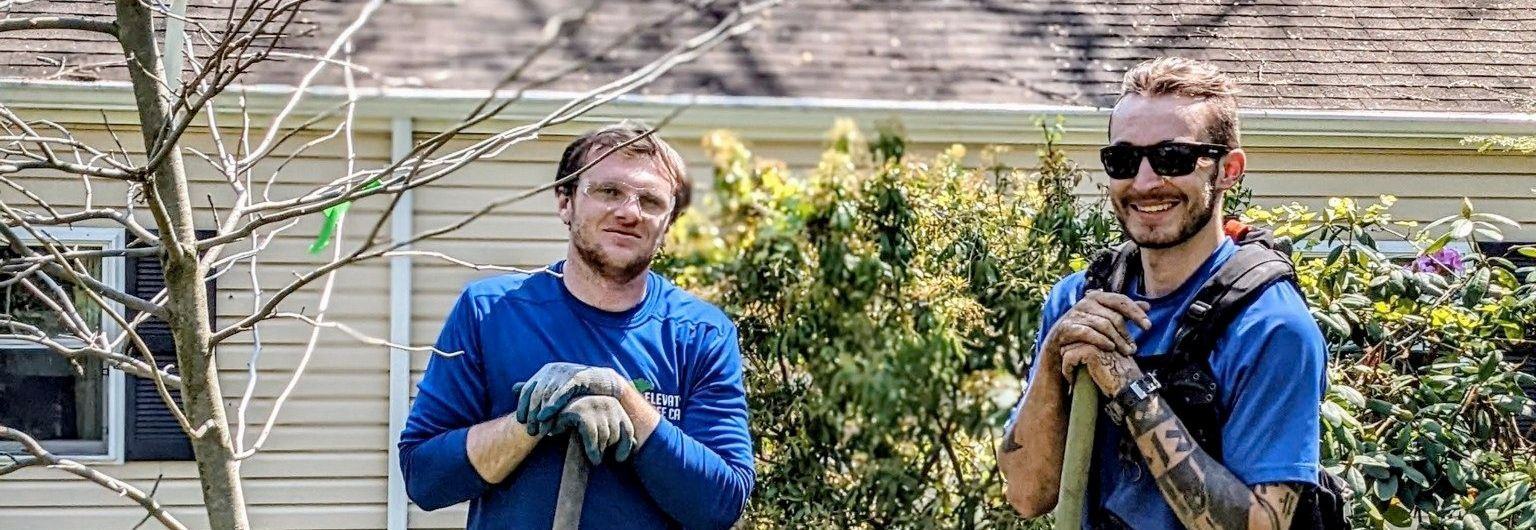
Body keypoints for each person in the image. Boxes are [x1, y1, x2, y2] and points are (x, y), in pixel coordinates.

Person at [997, 57, 1328, 530]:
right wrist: (1053, 359)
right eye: (1125, 159)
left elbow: (1265, 524)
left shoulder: (1271, 327)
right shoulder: (1077, 302)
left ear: (1228, 170)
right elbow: (1027, 496)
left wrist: (1129, 389)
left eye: (1172, 157)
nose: (1146, 181)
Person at [399, 123, 755, 530]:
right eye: (608, 192)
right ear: (565, 202)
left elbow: (721, 505)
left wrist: (622, 397)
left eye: (651, 201)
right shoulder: (490, 312)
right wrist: (531, 421)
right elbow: (424, 478)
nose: (629, 212)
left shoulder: (700, 334)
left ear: (668, 225)